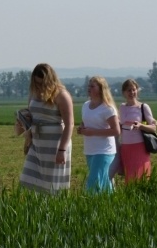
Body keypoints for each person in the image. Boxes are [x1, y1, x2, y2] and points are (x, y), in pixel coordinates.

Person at [19, 63, 73, 194]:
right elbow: (32, 114)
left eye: (42, 83)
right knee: (28, 181)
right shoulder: (33, 94)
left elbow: (69, 124)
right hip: (37, 143)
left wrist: (62, 150)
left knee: (52, 185)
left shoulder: (61, 95)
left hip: (55, 144)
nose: (39, 86)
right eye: (37, 83)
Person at [77, 76, 120, 193]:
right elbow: (86, 121)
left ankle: (89, 203)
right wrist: (81, 128)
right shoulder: (86, 105)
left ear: (101, 89)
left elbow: (116, 130)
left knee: (94, 181)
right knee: (104, 181)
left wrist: (93, 132)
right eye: (88, 86)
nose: (89, 88)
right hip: (90, 150)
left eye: (92, 86)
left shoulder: (108, 109)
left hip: (104, 151)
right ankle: (110, 204)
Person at [118, 78, 157, 183]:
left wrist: (140, 126)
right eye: (128, 90)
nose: (131, 92)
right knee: (129, 178)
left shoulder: (143, 107)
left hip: (139, 146)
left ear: (137, 90)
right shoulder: (121, 107)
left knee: (141, 176)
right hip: (125, 147)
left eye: (133, 89)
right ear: (123, 93)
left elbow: (153, 127)